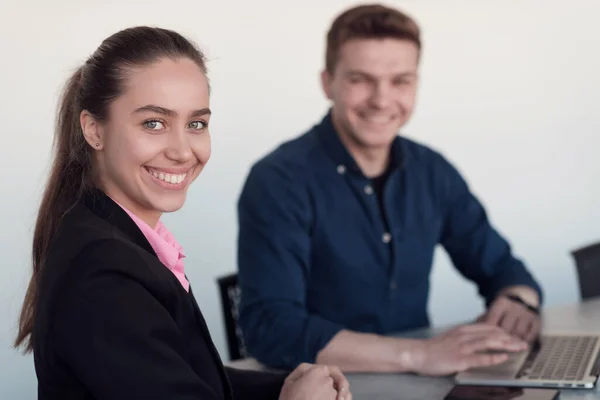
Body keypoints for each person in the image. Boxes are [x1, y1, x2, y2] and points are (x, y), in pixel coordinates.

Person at [14, 26, 352, 400]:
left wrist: (282, 385)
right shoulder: (104, 271)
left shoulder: (112, 235)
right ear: (94, 130)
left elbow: (180, 376)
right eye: (153, 123)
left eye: (196, 124)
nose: (181, 150)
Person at [237, 4, 544, 375]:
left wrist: (517, 302)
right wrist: (418, 356)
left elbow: (504, 268)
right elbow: (272, 328)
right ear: (327, 82)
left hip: (421, 387)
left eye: (400, 80)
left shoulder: (431, 170)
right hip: (324, 388)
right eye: (360, 79)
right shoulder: (278, 181)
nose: (382, 100)